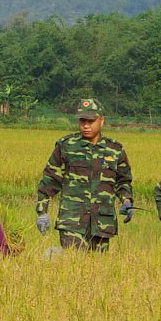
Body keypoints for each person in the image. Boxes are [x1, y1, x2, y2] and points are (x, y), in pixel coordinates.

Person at [35, 98, 134, 251]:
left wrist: (127, 201)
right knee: (73, 264)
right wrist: (42, 211)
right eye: (82, 121)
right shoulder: (66, 146)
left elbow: (123, 181)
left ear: (101, 121)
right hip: (73, 220)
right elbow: (50, 180)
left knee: (98, 269)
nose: (86, 125)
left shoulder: (115, 150)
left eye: (91, 121)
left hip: (102, 223)